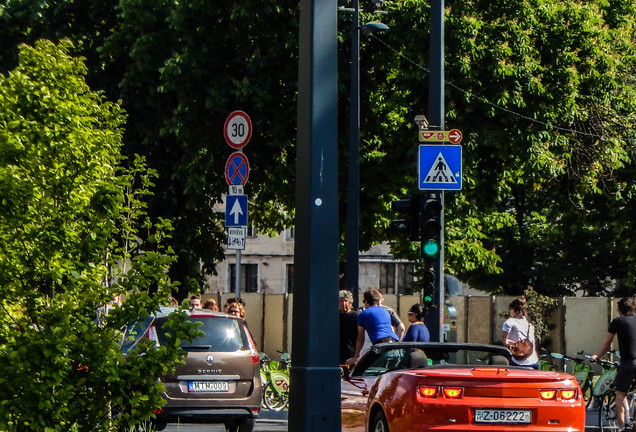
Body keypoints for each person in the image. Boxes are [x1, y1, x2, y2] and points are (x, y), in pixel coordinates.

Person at [592, 297, 636, 432]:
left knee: (620, 394)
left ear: (620, 311)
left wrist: (597, 357)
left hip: (629, 364)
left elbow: (607, 343)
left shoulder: (618, 322)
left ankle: (621, 427)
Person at [346, 290, 398, 365]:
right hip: (394, 342)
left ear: (366, 302)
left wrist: (355, 357)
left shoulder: (363, 314)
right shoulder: (386, 312)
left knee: (362, 366)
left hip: (380, 343)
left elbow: (360, 338)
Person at [502, 297, 539, 368]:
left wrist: (508, 342)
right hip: (534, 362)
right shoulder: (529, 324)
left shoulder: (510, 322)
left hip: (519, 363)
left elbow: (505, 342)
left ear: (512, 309)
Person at [339, 290, 359, 365]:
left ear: (350, 302)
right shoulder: (336, 316)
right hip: (338, 352)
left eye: (345, 301)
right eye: (341, 301)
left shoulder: (355, 316)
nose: (344, 304)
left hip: (351, 352)